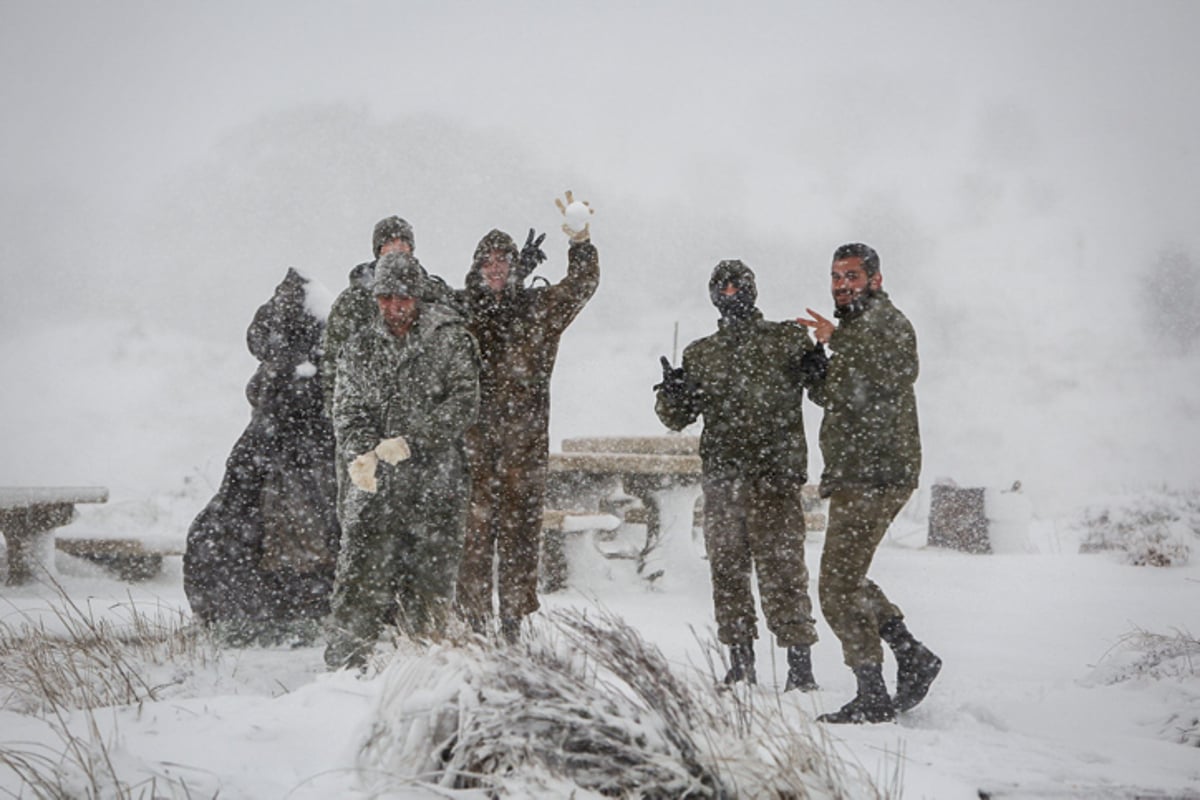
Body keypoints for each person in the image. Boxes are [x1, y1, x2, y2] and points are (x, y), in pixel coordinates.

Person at [654, 260, 825, 691]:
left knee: (784, 573)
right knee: (727, 573)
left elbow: (825, 393)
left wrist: (820, 364)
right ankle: (740, 663)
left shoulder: (787, 339)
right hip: (722, 480)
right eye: (721, 287)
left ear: (752, 288)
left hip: (775, 479)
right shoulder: (701, 353)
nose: (729, 293)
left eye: (737, 285)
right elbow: (677, 419)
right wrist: (672, 394)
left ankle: (800, 670)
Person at [797, 242, 942, 723]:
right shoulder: (859, 329)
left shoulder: (887, 322)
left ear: (875, 280)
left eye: (852, 277)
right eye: (836, 277)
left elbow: (899, 369)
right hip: (859, 473)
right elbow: (849, 395)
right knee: (848, 577)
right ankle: (912, 655)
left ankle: (873, 693)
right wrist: (817, 376)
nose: (842, 285)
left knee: (836, 587)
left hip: (877, 473)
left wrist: (836, 339)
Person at [454, 192, 600, 641]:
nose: (496, 267)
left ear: (516, 266)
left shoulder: (537, 310)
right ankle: (475, 623)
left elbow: (582, 286)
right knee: (472, 542)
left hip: (525, 449)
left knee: (519, 540)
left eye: (504, 260)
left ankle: (513, 624)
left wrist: (581, 241)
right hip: (472, 449)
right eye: (488, 260)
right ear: (477, 267)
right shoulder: (460, 312)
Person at [324, 252, 480, 670]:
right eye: (386, 298)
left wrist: (413, 442)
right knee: (359, 584)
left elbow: (465, 401)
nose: (395, 308)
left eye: (404, 299)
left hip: (437, 486)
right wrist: (366, 452)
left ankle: (422, 671)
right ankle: (344, 674)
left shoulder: (449, 339)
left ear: (419, 298)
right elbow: (347, 410)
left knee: (428, 589)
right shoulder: (358, 348)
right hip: (376, 491)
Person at [184, 268, 341, 644]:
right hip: (282, 460)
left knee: (295, 538)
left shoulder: (297, 382)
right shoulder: (296, 379)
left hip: (290, 461)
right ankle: (284, 617)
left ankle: (284, 617)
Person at [319, 215, 458, 418]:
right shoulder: (353, 300)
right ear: (378, 251)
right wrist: (339, 413)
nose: (397, 248)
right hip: (371, 412)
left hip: (426, 413)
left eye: (403, 242)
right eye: (389, 242)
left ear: (411, 249)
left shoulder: (434, 293)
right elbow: (334, 359)